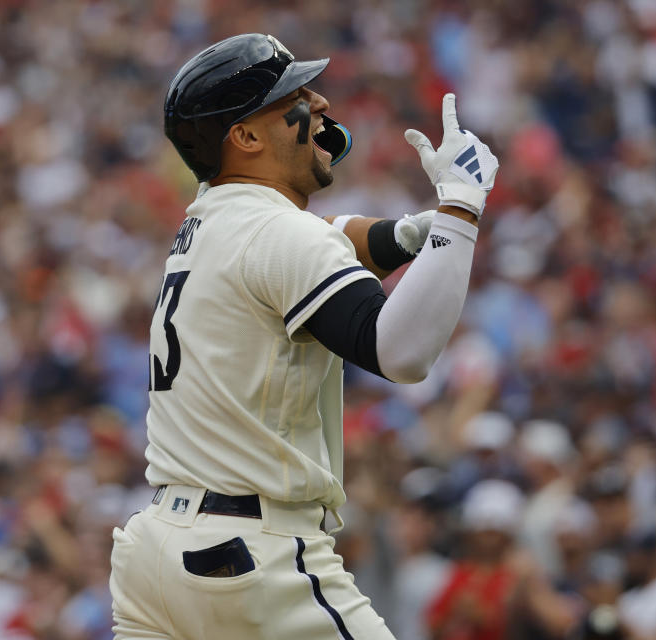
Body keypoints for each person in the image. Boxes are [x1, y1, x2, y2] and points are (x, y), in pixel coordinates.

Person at [108, 33, 498, 640]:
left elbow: (326, 237)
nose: (317, 102)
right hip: (252, 560)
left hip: (156, 554)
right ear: (246, 136)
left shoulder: (210, 218)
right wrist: (461, 213)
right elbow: (402, 352)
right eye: (290, 94)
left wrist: (408, 234)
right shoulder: (277, 232)